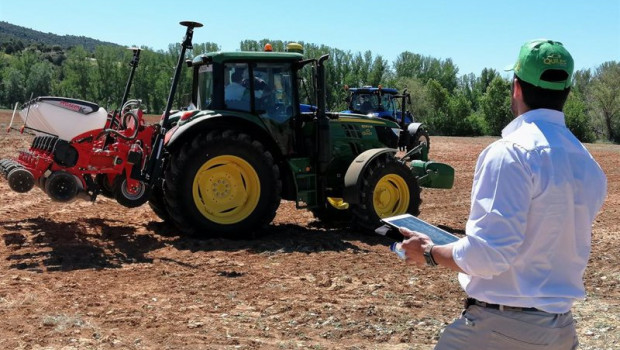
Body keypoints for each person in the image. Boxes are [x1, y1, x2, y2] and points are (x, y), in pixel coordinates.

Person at [398, 39, 607, 349]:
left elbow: (489, 256)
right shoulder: (587, 163)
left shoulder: (510, 153)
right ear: (567, 93)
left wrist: (428, 252)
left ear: (516, 88)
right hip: (561, 330)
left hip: (501, 330)